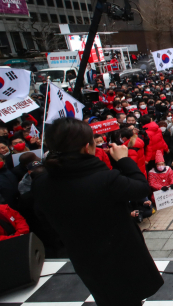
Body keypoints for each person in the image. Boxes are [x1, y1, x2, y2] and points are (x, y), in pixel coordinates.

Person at [32, 118, 163, 305]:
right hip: (120, 256)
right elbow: (141, 188)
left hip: (83, 257)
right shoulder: (105, 180)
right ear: (87, 147)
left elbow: (44, 219)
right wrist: (124, 160)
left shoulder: (42, 183)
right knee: (129, 298)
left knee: (106, 298)